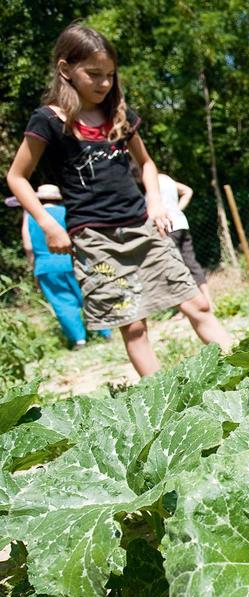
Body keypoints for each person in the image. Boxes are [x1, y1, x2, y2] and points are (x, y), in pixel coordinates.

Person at [5, 22, 232, 378]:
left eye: (110, 75)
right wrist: (48, 223)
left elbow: (147, 164)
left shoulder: (119, 116)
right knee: (134, 325)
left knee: (198, 303)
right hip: (96, 241)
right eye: (94, 74)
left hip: (142, 227)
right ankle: (164, 404)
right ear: (65, 70)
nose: (104, 83)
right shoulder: (48, 121)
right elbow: (16, 178)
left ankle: (245, 372)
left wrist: (155, 202)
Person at [7, 184, 111, 347]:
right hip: (73, 261)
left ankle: (79, 340)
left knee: (62, 303)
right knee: (88, 296)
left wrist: (34, 270)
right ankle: (105, 332)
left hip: (46, 267)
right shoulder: (67, 212)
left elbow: (28, 247)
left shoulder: (32, 218)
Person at [155, 172, 213, 309]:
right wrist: (176, 209)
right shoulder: (166, 179)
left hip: (168, 226)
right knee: (191, 262)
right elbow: (188, 191)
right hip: (181, 222)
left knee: (177, 267)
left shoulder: (151, 182)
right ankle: (208, 301)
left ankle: (189, 307)